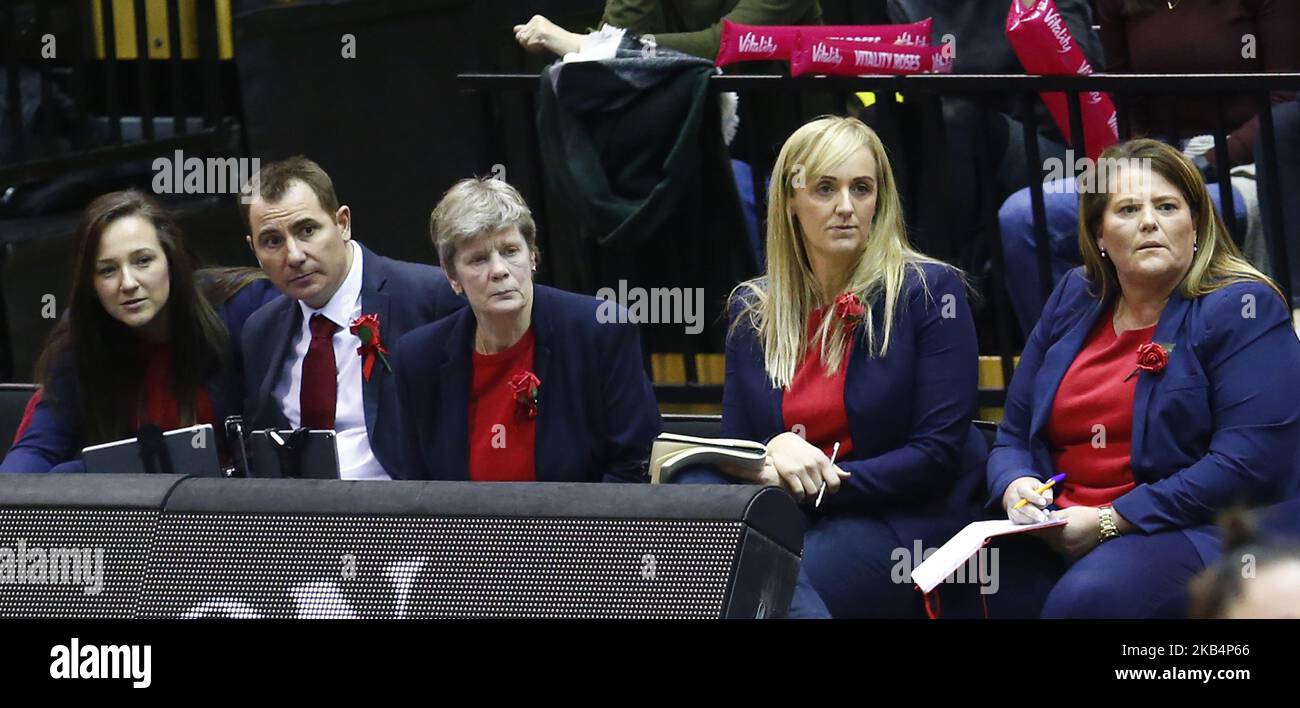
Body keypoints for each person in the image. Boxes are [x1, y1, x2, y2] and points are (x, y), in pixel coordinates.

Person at [678, 116, 986, 618]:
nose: (846, 207)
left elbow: (934, 457)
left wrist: (816, 482)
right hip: (788, 510)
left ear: (879, 201)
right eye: (825, 188)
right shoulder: (753, 309)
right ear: (791, 202)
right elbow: (737, 446)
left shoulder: (929, 293)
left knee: (764, 582)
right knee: (697, 509)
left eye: (861, 189)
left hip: (900, 521)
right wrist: (775, 448)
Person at [988, 139, 1300, 618]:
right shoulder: (1077, 294)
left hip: (1200, 525)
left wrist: (1111, 520)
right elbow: (1012, 433)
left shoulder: (1242, 307)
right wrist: (1017, 484)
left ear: (1195, 224)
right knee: (974, 585)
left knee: (1086, 601)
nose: (1149, 221)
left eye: (1167, 206)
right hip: (1058, 521)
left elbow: (1247, 465)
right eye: (1128, 208)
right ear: (1099, 236)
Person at [1000, 0, 1300, 334]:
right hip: (1150, 160)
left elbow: (1284, 101)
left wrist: (1205, 163)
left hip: (1247, 161)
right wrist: (1134, 165)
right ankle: (1070, 364)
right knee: (1023, 216)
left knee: (1166, 218)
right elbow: (1125, 104)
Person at [394, 177, 661, 482]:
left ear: (532, 256)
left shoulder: (601, 332)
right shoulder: (418, 358)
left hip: (576, 526)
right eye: (479, 259)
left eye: (510, 251)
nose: (499, 270)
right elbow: (418, 490)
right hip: (467, 529)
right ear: (452, 276)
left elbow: (635, 467)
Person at [1, 190, 277, 473]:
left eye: (142, 261)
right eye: (108, 271)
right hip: (141, 506)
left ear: (171, 260)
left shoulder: (244, 306)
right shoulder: (81, 338)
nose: (128, 283)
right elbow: (39, 447)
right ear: (92, 284)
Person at [239, 156, 464, 479]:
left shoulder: (428, 299)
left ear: (342, 223)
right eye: (272, 241)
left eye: (307, 230)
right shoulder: (260, 331)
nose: (295, 256)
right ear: (254, 250)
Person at [513, 0, 823, 61]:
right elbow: (618, 29)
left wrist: (583, 44)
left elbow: (726, 43)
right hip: (687, 141)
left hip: (789, 145)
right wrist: (601, 46)